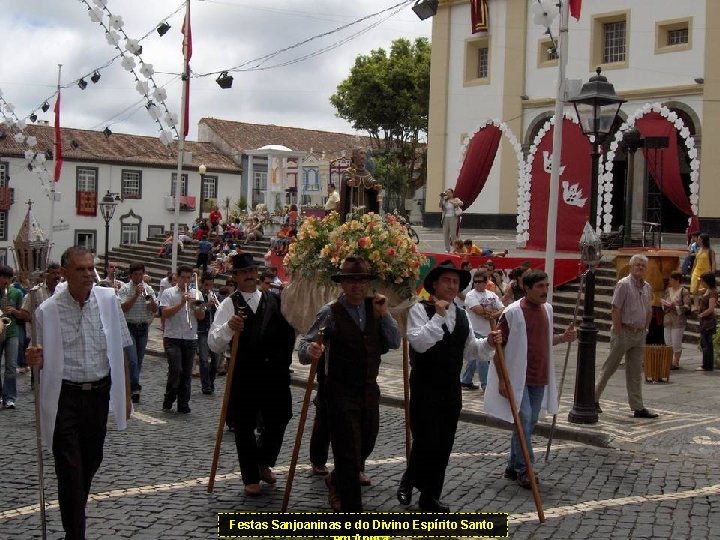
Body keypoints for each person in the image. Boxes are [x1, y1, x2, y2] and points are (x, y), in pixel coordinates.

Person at [25, 246, 132, 539]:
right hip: (65, 398)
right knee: (70, 471)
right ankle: (76, 534)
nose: (88, 274)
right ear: (65, 272)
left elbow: (122, 348)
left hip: (97, 394)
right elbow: (38, 354)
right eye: (81, 269)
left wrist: (126, 395)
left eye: (90, 268)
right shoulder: (48, 310)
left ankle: (73, 510)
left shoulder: (108, 301)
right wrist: (33, 358)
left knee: (91, 460)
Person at [299, 256, 401, 511]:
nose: (356, 286)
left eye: (361, 280)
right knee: (346, 450)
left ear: (367, 283)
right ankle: (350, 510)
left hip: (368, 389)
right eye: (350, 281)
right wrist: (310, 350)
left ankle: (336, 480)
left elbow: (395, 341)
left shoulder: (376, 309)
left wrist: (385, 314)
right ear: (342, 284)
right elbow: (304, 345)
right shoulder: (330, 312)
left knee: (366, 443)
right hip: (339, 392)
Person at [397, 260, 498, 512]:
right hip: (425, 385)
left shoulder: (462, 315)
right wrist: (438, 318)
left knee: (444, 443)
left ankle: (430, 496)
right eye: (447, 281)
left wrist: (490, 343)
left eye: (455, 282)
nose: (452, 286)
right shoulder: (420, 310)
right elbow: (419, 343)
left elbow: (471, 350)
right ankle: (409, 481)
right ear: (434, 284)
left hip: (451, 388)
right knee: (426, 439)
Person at [209, 253, 296, 496]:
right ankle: (250, 476)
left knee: (280, 418)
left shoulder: (274, 300)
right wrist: (229, 327)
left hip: (274, 375)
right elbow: (213, 343)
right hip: (245, 374)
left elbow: (288, 332)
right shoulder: (229, 304)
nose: (249, 275)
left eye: (251, 270)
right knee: (244, 425)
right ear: (235, 276)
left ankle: (263, 460)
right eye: (243, 271)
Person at [484, 270, 576, 488]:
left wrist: (563, 338)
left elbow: (543, 340)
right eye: (540, 287)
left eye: (547, 286)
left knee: (528, 421)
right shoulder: (513, 312)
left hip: (539, 375)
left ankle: (512, 465)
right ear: (527, 288)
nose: (545, 291)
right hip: (518, 377)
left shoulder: (548, 309)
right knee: (524, 419)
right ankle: (525, 468)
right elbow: (498, 345)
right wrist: (502, 379)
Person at [595, 254, 658, 418]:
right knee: (610, 367)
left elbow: (649, 310)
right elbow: (615, 308)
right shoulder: (623, 284)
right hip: (624, 331)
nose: (640, 268)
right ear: (631, 267)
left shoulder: (647, 287)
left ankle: (638, 406)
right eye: (637, 265)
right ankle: (593, 398)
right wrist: (618, 330)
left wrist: (645, 328)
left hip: (639, 333)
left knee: (635, 371)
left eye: (643, 266)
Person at [159, 265, 205, 414]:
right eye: (183, 277)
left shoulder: (196, 293)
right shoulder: (168, 292)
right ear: (177, 277)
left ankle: (183, 404)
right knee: (176, 370)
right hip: (172, 337)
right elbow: (164, 313)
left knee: (186, 373)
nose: (186, 280)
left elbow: (201, 317)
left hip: (190, 337)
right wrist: (181, 303)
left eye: (188, 277)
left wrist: (195, 306)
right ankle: (169, 397)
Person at [17, 263, 63, 389]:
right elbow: (24, 312)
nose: (56, 276)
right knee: (38, 361)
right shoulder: (36, 292)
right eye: (53, 273)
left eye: (58, 273)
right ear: (47, 274)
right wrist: (39, 319)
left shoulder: (63, 291)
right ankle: (36, 383)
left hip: (59, 335)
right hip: (40, 334)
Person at [119, 262, 157, 403]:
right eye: (136, 274)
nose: (139, 277)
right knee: (133, 360)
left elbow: (153, 310)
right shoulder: (124, 289)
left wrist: (150, 299)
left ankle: (130, 385)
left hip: (143, 328)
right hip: (129, 327)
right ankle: (135, 388)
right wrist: (135, 295)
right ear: (130, 275)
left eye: (141, 274)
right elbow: (123, 308)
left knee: (139, 360)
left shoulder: (149, 289)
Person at [461, 268, 505, 391]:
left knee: (474, 358)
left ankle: (466, 380)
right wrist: (492, 313)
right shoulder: (470, 295)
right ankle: (486, 384)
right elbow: (478, 310)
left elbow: (501, 308)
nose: (478, 284)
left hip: (489, 330)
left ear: (486, 282)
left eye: (480, 281)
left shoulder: (492, 295)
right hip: (474, 330)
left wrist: (494, 315)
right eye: (475, 281)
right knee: (482, 359)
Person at [0, 266, 25, 408]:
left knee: (11, 365)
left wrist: (15, 311)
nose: (6, 281)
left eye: (9, 278)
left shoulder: (16, 293)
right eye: (4, 277)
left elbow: (22, 313)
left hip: (12, 331)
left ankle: (9, 397)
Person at [661, 271, 692, 370]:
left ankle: (676, 362)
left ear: (677, 280)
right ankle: (669, 361)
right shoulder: (668, 290)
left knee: (676, 342)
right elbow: (663, 301)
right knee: (668, 341)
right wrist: (665, 305)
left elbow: (687, 306)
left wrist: (674, 306)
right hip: (668, 318)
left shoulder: (684, 291)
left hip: (678, 320)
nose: (670, 281)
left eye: (672, 279)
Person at [196, 272, 220, 393]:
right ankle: (206, 385)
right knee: (204, 360)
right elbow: (197, 311)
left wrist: (217, 306)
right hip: (202, 331)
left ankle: (211, 381)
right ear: (202, 284)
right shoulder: (198, 295)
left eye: (211, 285)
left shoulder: (215, 295)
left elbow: (220, 313)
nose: (208, 288)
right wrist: (206, 305)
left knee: (215, 360)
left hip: (214, 331)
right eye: (206, 285)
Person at [694, 271, 717, 372]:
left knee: (707, 343)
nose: (702, 282)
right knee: (705, 343)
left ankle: (707, 365)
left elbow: (711, 308)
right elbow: (695, 292)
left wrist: (702, 314)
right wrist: (698, 282)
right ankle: (706, 364)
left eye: (703, 281)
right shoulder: (706, 290)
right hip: (704, 320)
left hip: (708, 320)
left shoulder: (712, 292)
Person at [690, 233, 715, 300]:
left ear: (704, 240)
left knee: (703, 290)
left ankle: (703, 305)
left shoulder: (710, 251)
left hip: (706, 272)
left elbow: (713, 263)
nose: (697, 241)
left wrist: (712, 273)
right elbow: (696, 261)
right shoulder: (699, 250)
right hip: (696, 272)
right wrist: (692, 270)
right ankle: (695, 306)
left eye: (699, 239)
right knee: (695, 290)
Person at [440, 188, 463, 252]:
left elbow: (461, 203)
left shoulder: (456, 199)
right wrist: (441, 198)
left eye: (449, 192)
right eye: (446, 193)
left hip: (453, 217)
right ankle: (447, 249)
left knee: (453, 234)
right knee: (445, 234)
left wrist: (453, 202)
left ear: (452, 193)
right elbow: (440, 205)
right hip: (445, 218)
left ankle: (455, 248)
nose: (447, 194)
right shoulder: (445, 200)